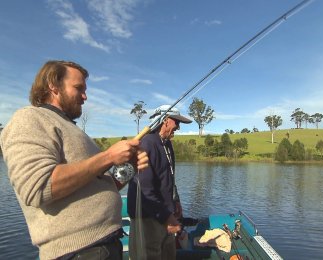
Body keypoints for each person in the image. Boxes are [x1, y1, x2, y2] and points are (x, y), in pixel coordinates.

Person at [0, 60, 149, 260]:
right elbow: (38, 188)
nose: (85, 96)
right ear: (53, 85)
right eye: (79, 88)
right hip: (79, 252)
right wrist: (108, 156)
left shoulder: (75, 131)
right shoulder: (29, 118)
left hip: (104, 244)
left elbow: (106, 184)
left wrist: (130, 166)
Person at [127, 105, 192, 260]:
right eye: (176, 122)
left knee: (168, 254)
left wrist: (175, 201)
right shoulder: (147, 144)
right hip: (148, 217)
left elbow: (169, 177)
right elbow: (144, 189)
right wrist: (166, 217)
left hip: (165, 214)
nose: (178, 126)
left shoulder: (167, 144)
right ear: (165, 121)